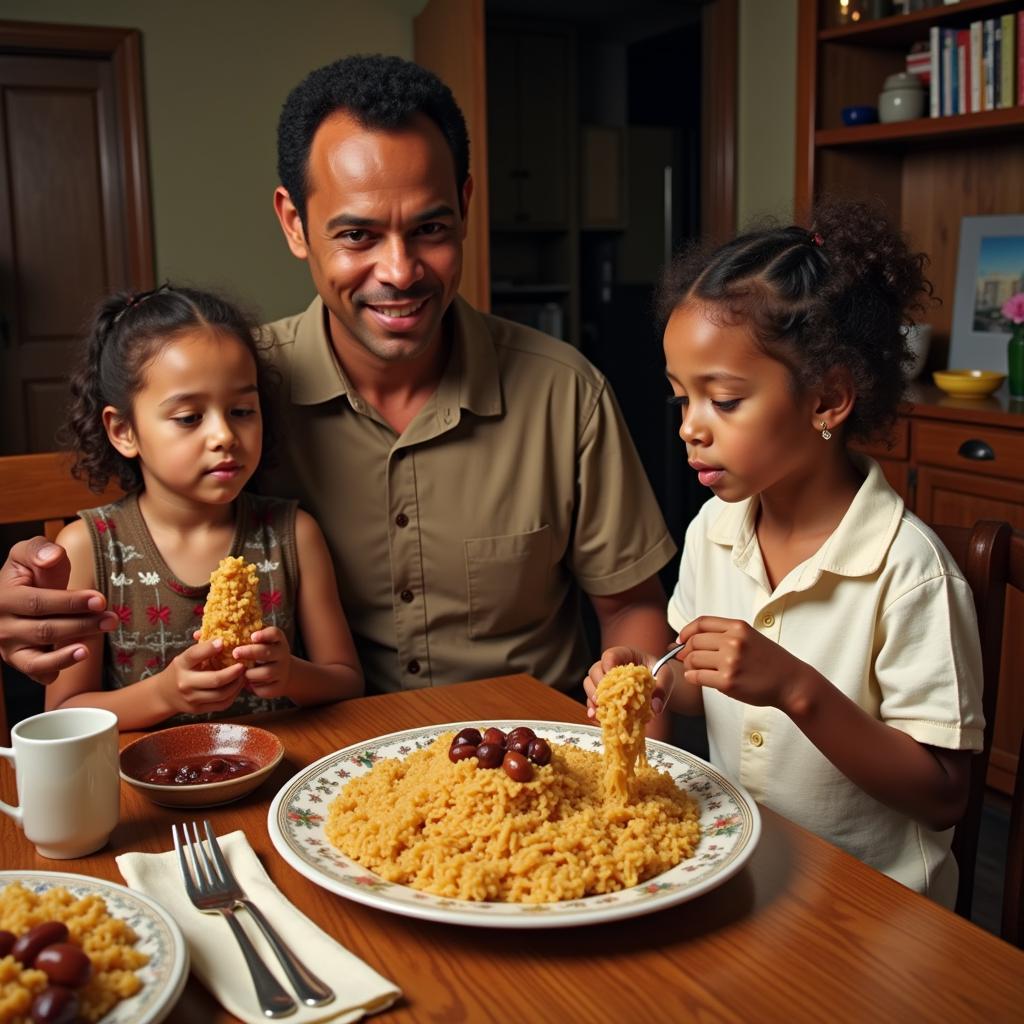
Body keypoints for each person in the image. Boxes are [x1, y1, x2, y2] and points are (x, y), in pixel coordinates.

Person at [0, 56, 675, 728]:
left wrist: (631, 685)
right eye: (357, 235)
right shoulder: (237, 390)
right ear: (294, 223)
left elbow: (629, 607)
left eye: (430, 230)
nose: (400, 271)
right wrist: (30, 581)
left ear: (466, 206)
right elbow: (129, 529)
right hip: (320, 776)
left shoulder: (566, 391)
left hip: (526, 759)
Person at [584, 199, 984, 907]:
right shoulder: (715, 530)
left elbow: (944, 795)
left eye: (725, 401)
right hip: (754, 874)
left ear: (827, 400)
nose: (690, 430)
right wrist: (647, 678)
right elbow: (699, 678)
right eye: (681, 400)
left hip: (876, 910)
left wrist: (796, 689)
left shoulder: (909, 572)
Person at [41, 285, 363, 729]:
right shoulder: (89, 548)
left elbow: (346, 682)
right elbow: (62, 711)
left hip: (277, 776)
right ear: (123, 431)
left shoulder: (292, 534)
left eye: (242, 411)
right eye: (190, 417)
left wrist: (291, 675)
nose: (224, 436)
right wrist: (164, 693)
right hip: (147, 788)